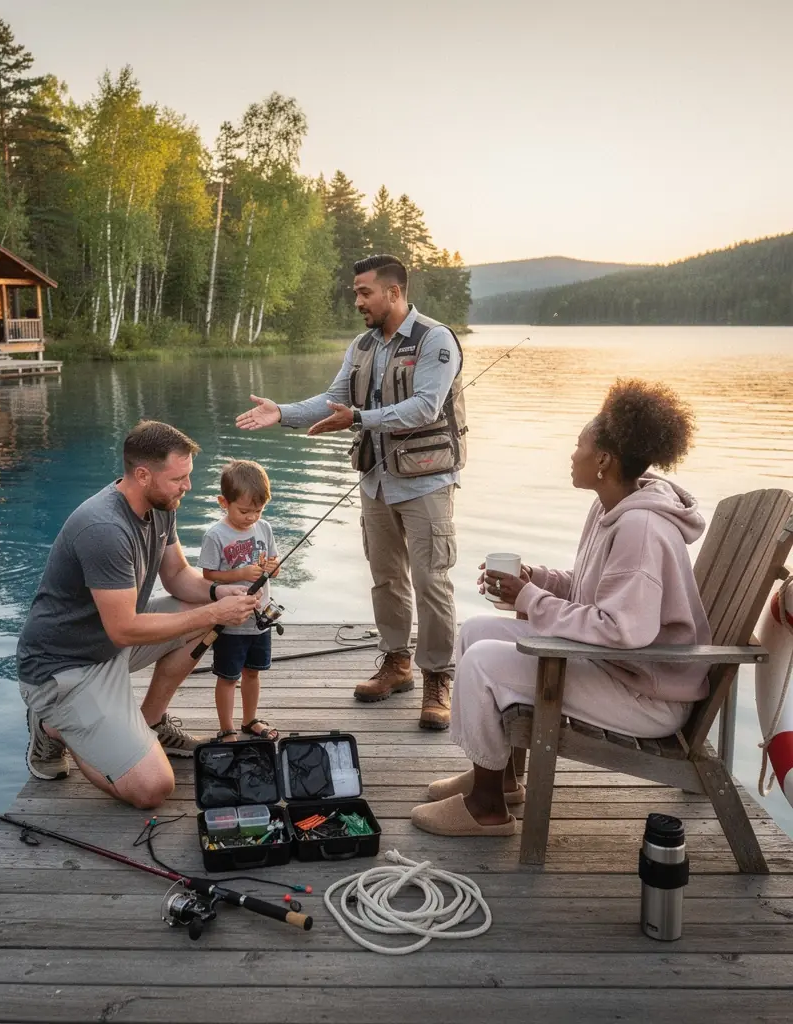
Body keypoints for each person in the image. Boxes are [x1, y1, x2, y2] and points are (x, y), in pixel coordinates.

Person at [412, 379, 710, 837]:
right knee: (475, 633)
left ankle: (486, 808)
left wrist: (530, 600)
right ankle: (501, 777)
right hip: (618, 669)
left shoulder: (641, 529)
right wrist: (538, 581)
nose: (573, 455)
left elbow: (621, 629)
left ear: (604, 461)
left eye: (579, 446)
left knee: (483, 664)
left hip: (647, 694)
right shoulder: (611, 508)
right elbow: (593, 591)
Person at [236, 254, 466, 730]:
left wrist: (359, 419)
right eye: (356, 292)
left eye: (365, 292)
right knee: (386, 578)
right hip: (376, 481)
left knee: (431, 581)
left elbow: (425, 408)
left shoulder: (435, 340)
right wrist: (283, 412)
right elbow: (332, 401)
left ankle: (437, 677)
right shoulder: (361, 345)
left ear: (394, 293)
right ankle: (396, 663)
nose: (357, 300)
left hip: (426, 481)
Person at [16, 420, 260, 809]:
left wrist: (218, 592)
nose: (188, 487)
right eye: (179, 478)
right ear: (143, 474)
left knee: (206, 613)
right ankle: (54, 727)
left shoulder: (162, 505)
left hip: (108, 647)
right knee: (152, 789)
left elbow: (179, 576)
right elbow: (125, 628)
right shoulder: (104, 528)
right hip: (64, 670)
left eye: (189, 476)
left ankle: (149, 724)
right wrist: (215, 610)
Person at [198, 460, 282, 742]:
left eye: (258, 511)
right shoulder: (216, 535)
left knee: (253, 673)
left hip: (259, 620)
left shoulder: (264, 528)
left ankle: (249, 720)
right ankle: (226, 729)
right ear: (224, 502)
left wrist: (272, 568)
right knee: (228, 677)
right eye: (244, 511)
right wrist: (240, 574)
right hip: (231, 623)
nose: (251, 517)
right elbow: (208, 574)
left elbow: (275, 565)